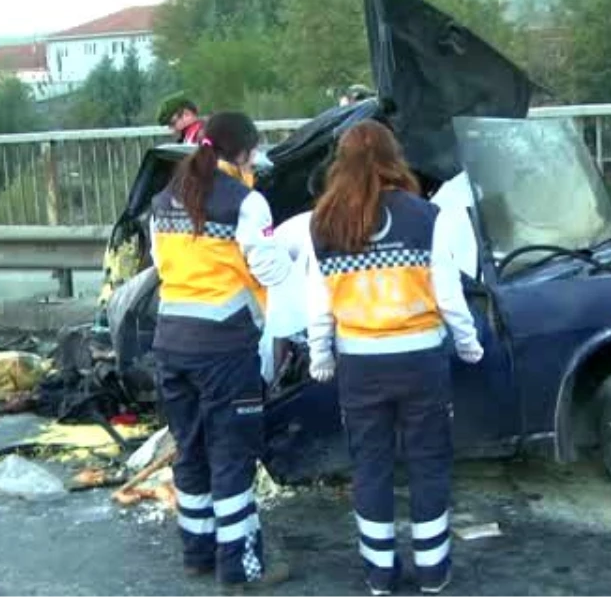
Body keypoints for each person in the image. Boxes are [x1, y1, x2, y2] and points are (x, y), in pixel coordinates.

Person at [304, 120, 484, 596]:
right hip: (421, 364)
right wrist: (468, 345)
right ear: (393, 157)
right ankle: (433, 570)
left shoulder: (323, 223)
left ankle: (379, 574)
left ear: (341, 163)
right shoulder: (428, 216)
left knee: (370, 466)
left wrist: (320, 355)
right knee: (428, 462)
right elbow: (449, 298)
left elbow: (318, 304)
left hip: (360, 368)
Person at [148, 111, 293, 590]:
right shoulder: (247, 203)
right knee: (231, 454)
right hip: (224, 348)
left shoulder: (165, 198)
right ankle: (242, 568)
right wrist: (288, 258)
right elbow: (268, 271)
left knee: (190, 451)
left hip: (170, 342)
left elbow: (159, 263)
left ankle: (198, 554)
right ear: (246, 152)